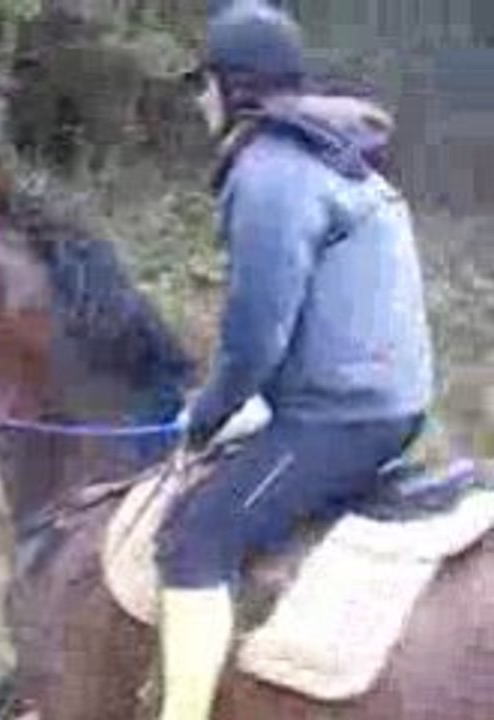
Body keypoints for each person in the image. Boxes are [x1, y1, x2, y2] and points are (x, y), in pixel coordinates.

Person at [153, 2, 434, 719]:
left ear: (233, 86)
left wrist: (204, 418)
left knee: (195, 537)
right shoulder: (329, 158)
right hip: (373, 402)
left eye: (203, 84)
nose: (198, 101)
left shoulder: (271, 172)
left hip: (340, 419)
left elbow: (255, 338)